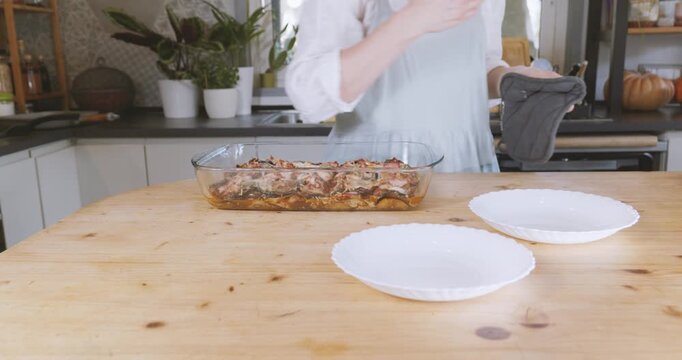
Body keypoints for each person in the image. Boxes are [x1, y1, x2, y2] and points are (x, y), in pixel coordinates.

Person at [286, 0, 561, 172]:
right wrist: (411, 21)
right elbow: (310, 96)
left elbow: (480, 65)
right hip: (372, 171)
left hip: (468, 164)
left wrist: (510, 79)